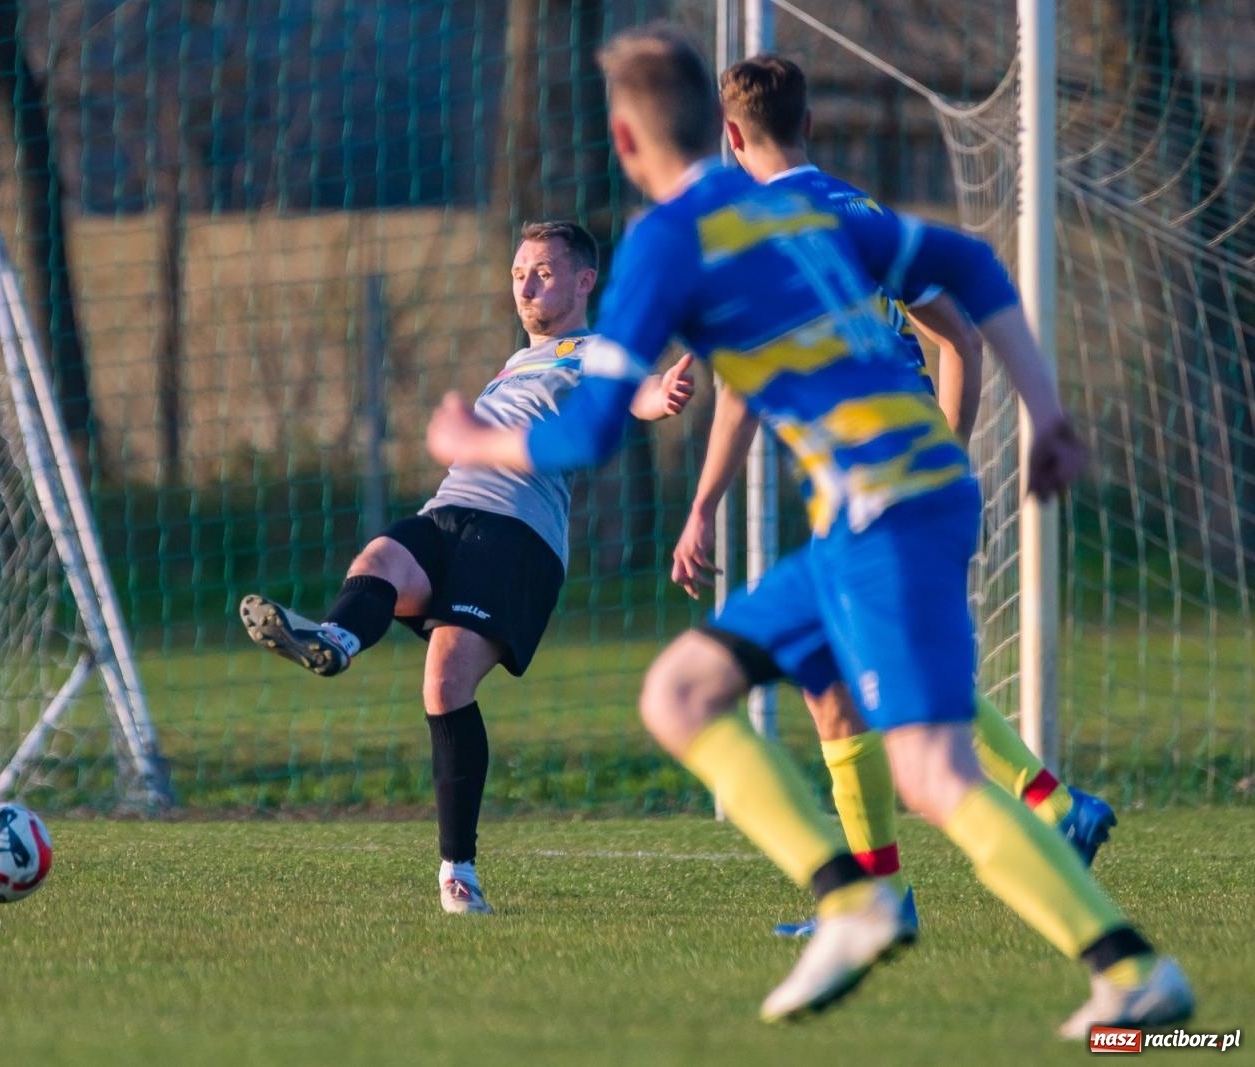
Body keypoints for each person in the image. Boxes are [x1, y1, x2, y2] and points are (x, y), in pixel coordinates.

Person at [425, 23, 1191, 1036]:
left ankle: (1121, 964)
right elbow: (969, 266)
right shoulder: (809, 208)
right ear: (721, 127)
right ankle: (861, 892)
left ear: (624, 138)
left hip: (884, 511)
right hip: (886, 509)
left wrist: (477, 440)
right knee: (683, 689)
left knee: (929, 768)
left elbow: (592, 430)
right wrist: (1045, 414)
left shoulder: (669, 239)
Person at [669, 54, 1118, 941]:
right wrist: (948, 456)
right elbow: (964, 341)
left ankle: (1083, 890)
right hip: (905, 483)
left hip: (871, 488)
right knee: (838, 684)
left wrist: (703, 503)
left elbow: (743, 390)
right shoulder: (863, 214)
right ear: (809, 126)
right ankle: (897, 885)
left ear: (729, 137)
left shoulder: (757, 231)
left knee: (885, 703)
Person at [239, 219, 695, 916]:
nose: (526, 285)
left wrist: (659, 395)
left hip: (517, 538)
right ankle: (333, 640)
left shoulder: (597, 348)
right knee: (379, 558)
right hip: (452, 509)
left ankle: (459, 871)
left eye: (542, 271)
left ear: (582, 281)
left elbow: (630, 390)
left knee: (444, 679)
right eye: (517, 273)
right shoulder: (514, 363)